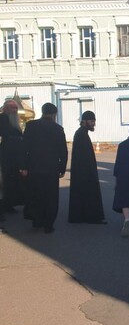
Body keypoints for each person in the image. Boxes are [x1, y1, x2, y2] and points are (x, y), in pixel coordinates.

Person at [19, 103, 68, 233]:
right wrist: (62, 168)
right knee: (51, 196)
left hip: (33, 166)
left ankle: (37, 220)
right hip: (51, 168)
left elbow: (24, 147)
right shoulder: (58, 129)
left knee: (36, 194)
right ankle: (48, 224)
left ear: (42, 112)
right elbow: (63, 151)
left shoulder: (31, 126)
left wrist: (23, 166)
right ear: (53, 114)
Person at [68, 110, 106, 224]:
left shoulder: (81, 133)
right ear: (84, 121)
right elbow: (84, 156)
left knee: (83, 193)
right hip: (85, 172)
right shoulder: (81, 134)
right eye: (92, 121)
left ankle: (82, 216)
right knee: (89, 193)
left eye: (94, 121)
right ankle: (91, 217)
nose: (94, 124)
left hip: (82, 171)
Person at [0, 99, 25, 214]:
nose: (15, 110)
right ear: (6, 109)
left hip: (14, 154)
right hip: (7, 155)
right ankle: (6, 205)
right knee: (8, 180)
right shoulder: (3, 118)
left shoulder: (14, 120)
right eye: (12, 108)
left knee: (13, 179)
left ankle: (10, 204)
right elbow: (6, 135)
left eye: (15, 108)